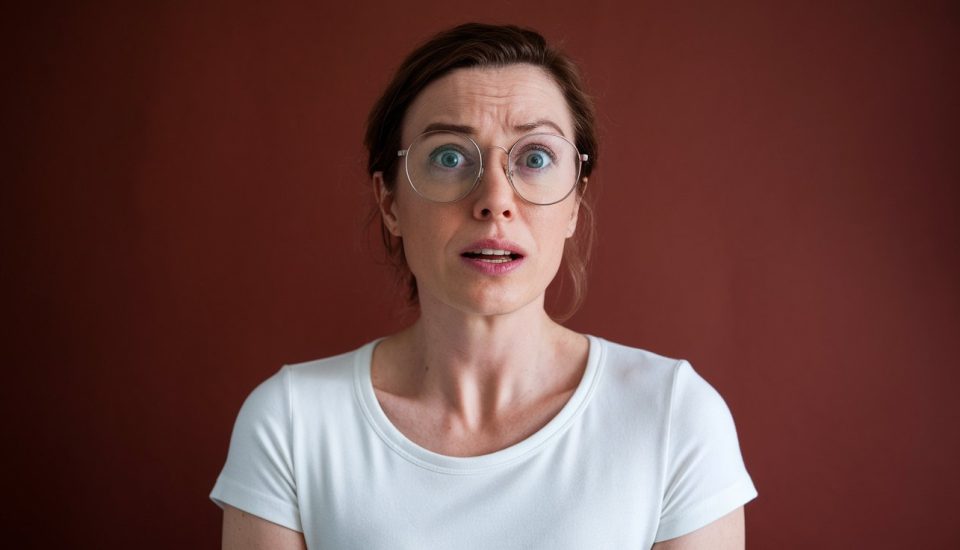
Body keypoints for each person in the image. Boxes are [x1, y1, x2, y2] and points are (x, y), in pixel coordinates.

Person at [210, 23, 757, 549]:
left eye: (535, 158)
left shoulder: (673, 417)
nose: (495, 199)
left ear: (575, 202)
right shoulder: (290, 422)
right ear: (390, 202)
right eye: (449, 157)